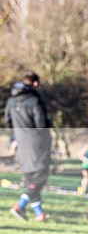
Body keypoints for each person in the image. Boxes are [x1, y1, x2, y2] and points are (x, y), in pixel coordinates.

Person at [5, 72, 52, 221]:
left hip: (21, 145)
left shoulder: (11, 101)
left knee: (31, 180)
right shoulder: (34, 100)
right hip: (37, 145)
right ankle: (19, 205)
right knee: (40, 178)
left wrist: (16, 138)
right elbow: (41, 125)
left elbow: (8, 122)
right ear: (35, 84)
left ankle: (39, 214)